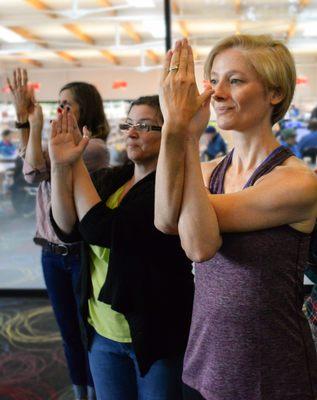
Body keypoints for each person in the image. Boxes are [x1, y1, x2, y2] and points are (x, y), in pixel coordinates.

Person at [155, 36, 317, 400]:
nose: (217, 93)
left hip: (269, 373)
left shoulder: (296, 183)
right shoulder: (209, 171)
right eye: (214, 79)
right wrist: (172, 128)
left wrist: (185, 137)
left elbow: (199, 243)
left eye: (236, 80)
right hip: (203, 362)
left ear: (274, 93)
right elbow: (165, 220)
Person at [49, 95, 194, 400]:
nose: (131, 132)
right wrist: (61, 166)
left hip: (154, 335)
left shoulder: (170, 191)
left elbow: (102, 229)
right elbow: (66, 228)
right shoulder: (109, 179)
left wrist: (75, 164)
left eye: (144, 125)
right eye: (128, 124)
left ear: (170, 132)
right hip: (101, 332)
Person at [7, 69, 109, 400]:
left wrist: (33, 126)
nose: (60, 109)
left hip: (80, 253)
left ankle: (96, 389)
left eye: (69, 104)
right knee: (68, 331)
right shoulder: (58, 144)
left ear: (86, 111)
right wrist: (26, 122)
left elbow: (34, 170)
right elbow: (31, 161)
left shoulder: (92, 148)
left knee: (87, 331)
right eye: (59, 103)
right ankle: (81, 391)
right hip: (50, 253)